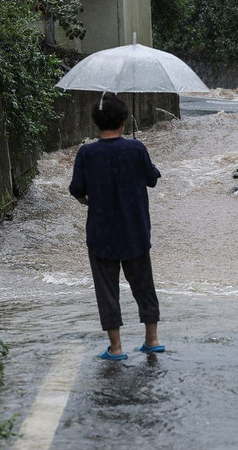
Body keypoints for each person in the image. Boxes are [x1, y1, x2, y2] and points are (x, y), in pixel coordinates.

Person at [69, 93, 165, 361]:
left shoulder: (86, 153)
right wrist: (146, 159)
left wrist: (87, 201)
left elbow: (77, 189)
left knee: (107, 290)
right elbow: (152, 179)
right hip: (135, 230)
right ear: (124, 121)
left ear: (96, 123)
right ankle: (152, 338)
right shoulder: (136, 148)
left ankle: (116, 347)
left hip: (101, 234)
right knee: (143, 284)